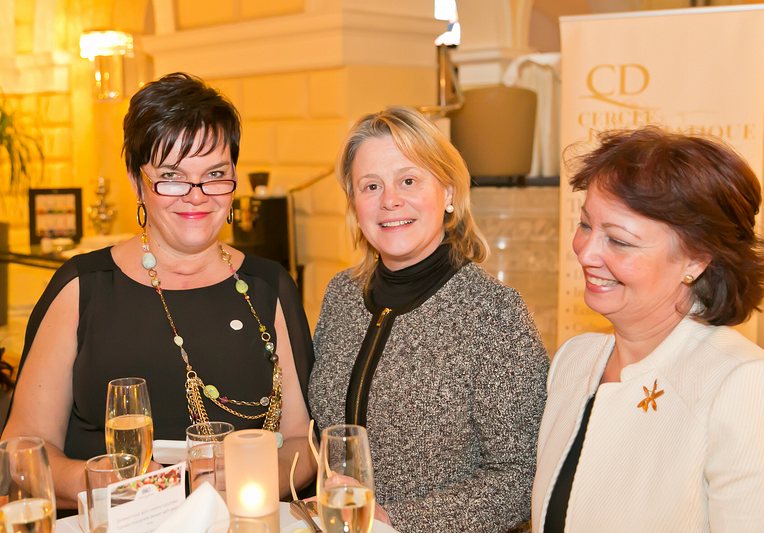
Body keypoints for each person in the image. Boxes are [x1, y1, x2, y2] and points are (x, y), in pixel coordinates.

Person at [1, 73, 316, 508]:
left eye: (215, 175)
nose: (196, 196)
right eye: (172, 177)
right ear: (137, 182)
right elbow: (19, 449)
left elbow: (302, 441)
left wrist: (255, 478)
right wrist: (95, 481)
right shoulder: (81, 287)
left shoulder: (268, 286)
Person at [531, 127, 764, 532]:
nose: (586, 253)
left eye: (619, 241)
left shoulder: (747, 386)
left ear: (696, 259)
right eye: (585, 225)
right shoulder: (575, 360)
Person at [309, 106, 550, 532]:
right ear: (355, 204)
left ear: (449, 192)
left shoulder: (492, 313)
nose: (390, 200)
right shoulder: (341, 296)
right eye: (371, 186)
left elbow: (520, 477)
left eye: (408, 180)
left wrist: (396, 520)